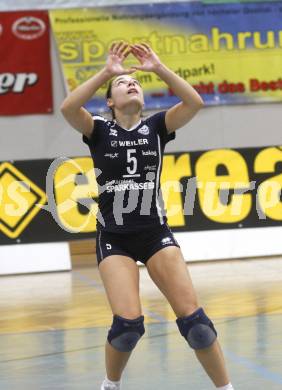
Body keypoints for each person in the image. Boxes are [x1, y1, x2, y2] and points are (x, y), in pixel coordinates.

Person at [61, 41, 234, 390]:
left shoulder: (156, 126)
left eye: (135, 82)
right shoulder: (98, 129)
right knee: (127, 327)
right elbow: (68, 107)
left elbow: (194, 102)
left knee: (197, 325)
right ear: (110, 101)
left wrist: (158, 68)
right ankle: (111, 384)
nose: (131, 83)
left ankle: (226, 388)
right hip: (115, 237)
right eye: (122, 83)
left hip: (155, 232)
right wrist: (106, 72)